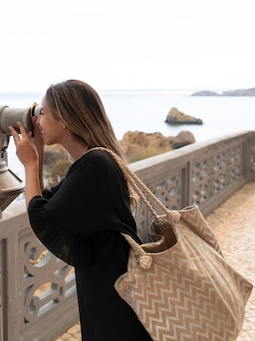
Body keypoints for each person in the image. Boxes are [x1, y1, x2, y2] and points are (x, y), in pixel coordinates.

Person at [9, 80, 152, 340]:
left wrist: (30, 165)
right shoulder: (91, 162)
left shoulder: (94, 165)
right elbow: (41, 209)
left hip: (117, 298)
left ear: (64, 119)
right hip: (109, 290)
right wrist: (37, 154)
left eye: (42, 112)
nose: (37, 119)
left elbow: (39, 218)